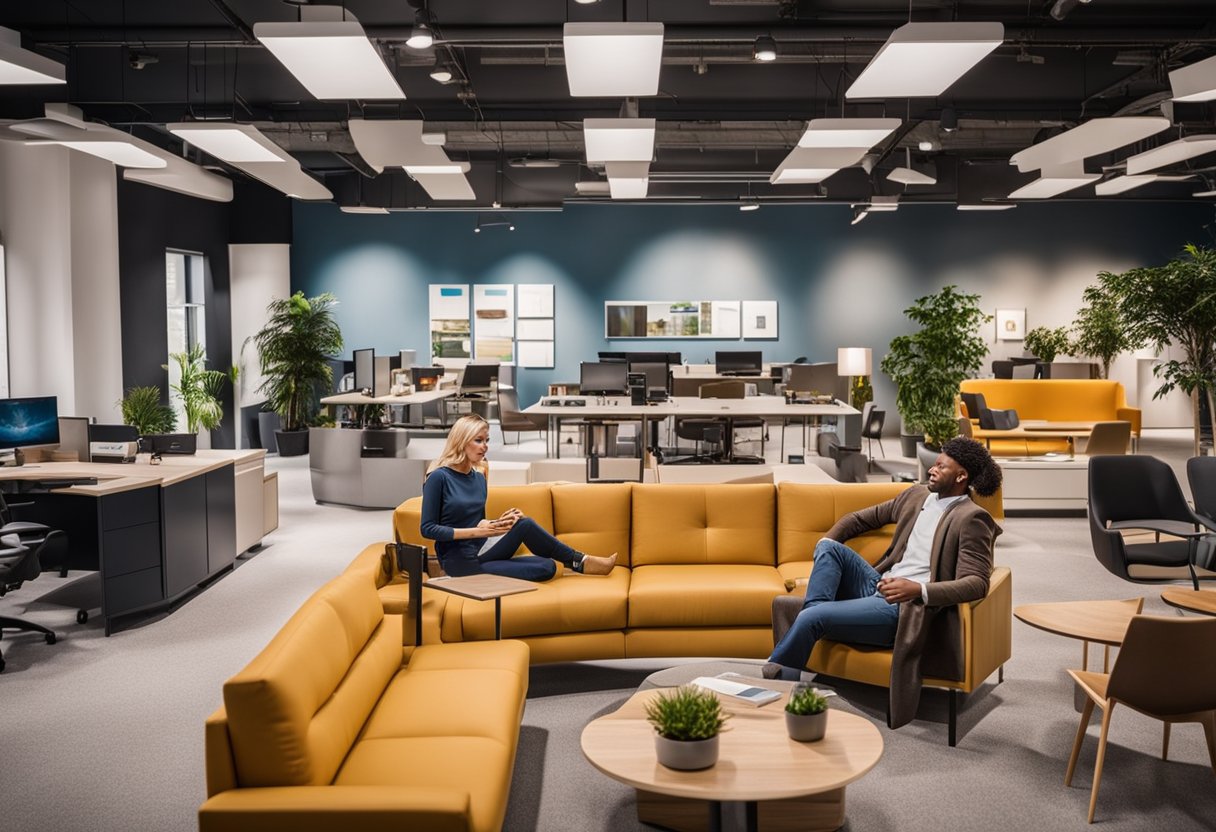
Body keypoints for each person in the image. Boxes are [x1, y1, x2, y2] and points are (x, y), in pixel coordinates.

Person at [764, 436, 1002, 728]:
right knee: (828, 548)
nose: (931, 470)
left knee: (812, 616)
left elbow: (977, 583)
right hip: (877, 583)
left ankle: (777, 684)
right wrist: (827, 540)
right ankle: (815, 624)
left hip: (904, 607)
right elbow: (859, 519)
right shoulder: (915, 496)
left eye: (941, 466)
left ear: (961, 476)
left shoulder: (972, 518)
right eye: (935, 463)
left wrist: (919, 589)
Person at [420, 414, 617, 581]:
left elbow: (478, 521)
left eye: (487, 440)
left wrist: (499, 523)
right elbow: (428, 529)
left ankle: (577, 560)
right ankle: (579, 561)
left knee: (537, 547)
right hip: (459, 559)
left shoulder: (479, 477)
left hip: (483, 548)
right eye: (478, 440)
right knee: (545, 568)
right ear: (461, 442)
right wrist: (478, 532)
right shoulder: (439, 477)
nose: (485, 446)